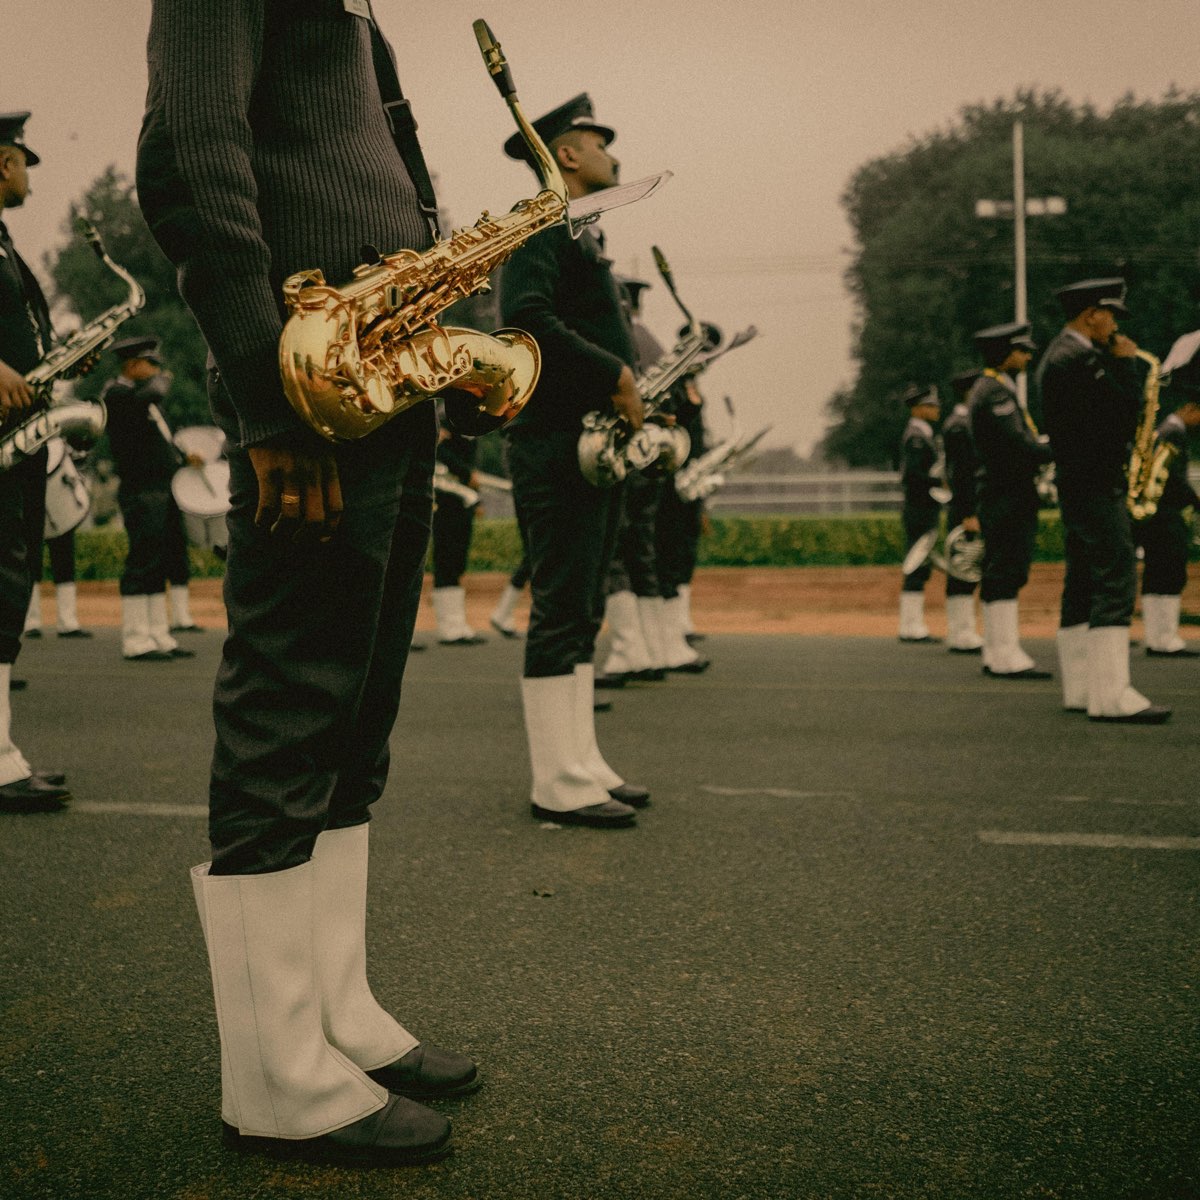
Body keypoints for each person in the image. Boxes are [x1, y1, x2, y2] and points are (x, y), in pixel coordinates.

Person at [137, 2, 482, 1166]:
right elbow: (186, 164)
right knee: (294, 703)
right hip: (309, 380)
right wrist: (261, 396)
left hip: (386, 371)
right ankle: (277, 1076)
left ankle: (336, 1016)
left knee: (355, 712)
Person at [499, 93, 650, 828]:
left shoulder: (579, 230)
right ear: (566, 153)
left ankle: (581, 759)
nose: (612, 153)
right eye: (599, 140)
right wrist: (615, 374)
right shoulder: (540, 223)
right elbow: (525, 321)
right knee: (561, 611)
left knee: (584, 608)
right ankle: (555, 781)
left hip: (585, 440)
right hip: (555, 438)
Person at [1036, 278, 1169, 722]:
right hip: (1095, 483)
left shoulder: (1062, 355)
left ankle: (1081, 688)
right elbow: (1117, 414)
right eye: (1110, 314)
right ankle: (1112, 696)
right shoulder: (1079, 359)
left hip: (1078, 483)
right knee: (1115, 580)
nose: (1114, 325)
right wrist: (1127, 366)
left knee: (1083, 582)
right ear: (1091, 313)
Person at [0, 111, 71, 812]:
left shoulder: (3, 238)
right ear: (2, 163)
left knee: (8, 584)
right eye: (24, 161)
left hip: (17, 435)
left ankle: (4, 752)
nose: (28, 176)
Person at [102, 336, 202, 660]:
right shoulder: (117, 394)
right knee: (142, 560)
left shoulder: (146, 401)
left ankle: (159, 634)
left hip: (163, 486)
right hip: (141, 488)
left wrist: (183, 457)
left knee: (161, 559)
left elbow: (162, 442)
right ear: (132, 365)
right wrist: (160, 381)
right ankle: (135, 638)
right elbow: (155, 391)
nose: (157, 370)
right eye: (151, 363)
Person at [967, 323, 1054, 678]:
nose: (1028, 356)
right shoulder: (995, 393)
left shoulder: (992, 388)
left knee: (1000, 571)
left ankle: (996, 650)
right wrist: (1056, 449)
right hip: (1008, 493)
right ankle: (1005, 654)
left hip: (1002, 493)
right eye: (1022, 350)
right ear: (1004, 353)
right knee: (1007, 571)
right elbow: (1018, 445)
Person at [1137, 330, 1200, 656]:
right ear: (1190, 408)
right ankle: (1165, 637)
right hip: (1166, 513)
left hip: (1156, 511)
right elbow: (1172, 478)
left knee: (1157, 573)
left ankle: (1157, 635)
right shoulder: (1173, 433)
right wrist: (1196, 500)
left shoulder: (1166, 430)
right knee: (1170, 572)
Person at [938, 369, 984, 653]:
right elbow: (963, 473)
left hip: (966, 504)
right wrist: (970, 511)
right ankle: (961, 631)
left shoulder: (962, 422)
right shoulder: (961, 425)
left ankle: (962, 630)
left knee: (965, 569)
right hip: (966, 505)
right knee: (963, 570)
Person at [430, 421, 485, 645]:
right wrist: (465, 472)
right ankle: (448, 626)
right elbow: (437, 448)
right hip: (446, 498)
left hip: (463, 499)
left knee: (456, 562)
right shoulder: (446, 419)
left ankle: (457, 623)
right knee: (446, 560)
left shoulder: (473, 418)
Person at [897, 384, 942, 642]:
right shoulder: (916, 436)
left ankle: (912, 623)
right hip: (919, 507)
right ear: (918, 409)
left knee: (919, 564)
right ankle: (910, 625)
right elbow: (914, 476)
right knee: (916, 563)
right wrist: (939, 483)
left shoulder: (922, 433)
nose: (936, 410)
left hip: (922, 506)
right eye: (931, 405)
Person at [25, 527, 92, 639]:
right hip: (32, 513)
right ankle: (31, 622)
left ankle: (68, 622)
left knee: (64, 561)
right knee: (32, 562)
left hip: (59, 515)